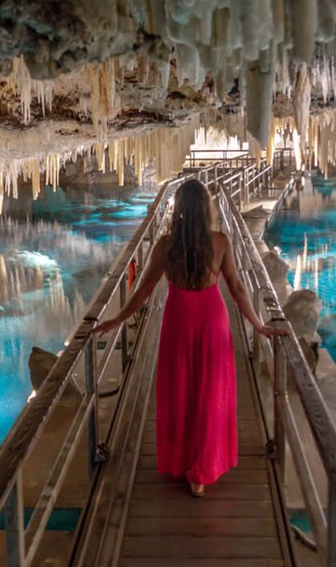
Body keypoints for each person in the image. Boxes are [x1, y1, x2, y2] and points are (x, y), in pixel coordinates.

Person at [94, 178, 287, 497]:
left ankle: (184, 461)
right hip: (212, 321)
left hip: (178, 320)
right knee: (210, 391)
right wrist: (258, 324)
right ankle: (201, 471)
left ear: (178, 210)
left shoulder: (166, 245)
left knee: (182, 391)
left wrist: (118, 319)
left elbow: (142, 290)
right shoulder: (221, 242)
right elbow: (237, 288)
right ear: (206, 210)